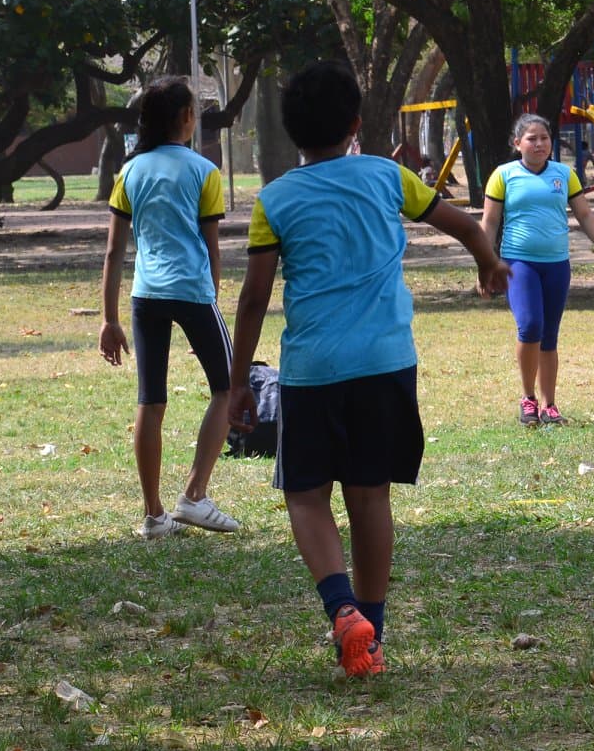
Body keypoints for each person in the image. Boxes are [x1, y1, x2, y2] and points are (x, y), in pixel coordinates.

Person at [227, 60, 509, 677]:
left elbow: (252, 299)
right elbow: (461, 222)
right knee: (369, 494)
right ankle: (372, 633)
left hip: (312, 371)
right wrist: (488, 261)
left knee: (305, 496)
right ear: (356, 123)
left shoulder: (274, 200)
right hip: (386, 365)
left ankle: (341, 608)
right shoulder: (389, 176)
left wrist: (236, 382)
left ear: (290, 132)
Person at [98, 77, 241, 540]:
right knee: (227, 387)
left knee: (150, 401)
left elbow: (114, 252)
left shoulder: (129, 172)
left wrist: (109, 319)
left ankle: (154, 514)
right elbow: (212, 247)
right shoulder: (204, 171)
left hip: (145, 297)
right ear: (185, 118)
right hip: (193, 292)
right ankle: (194, 496)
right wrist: (212, 297)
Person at [482, 113, 594, 427]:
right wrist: (485, 263)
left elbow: (585, 215)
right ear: (517, 143)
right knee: (530, 326)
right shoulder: (503, 175)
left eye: (544, 138)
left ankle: (549, 405)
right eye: (532, 138)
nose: (540, 144)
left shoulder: (564, 174)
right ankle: (528, 399)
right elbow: (490, 222)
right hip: (519, 263)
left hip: (557, 265)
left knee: (549, 336)